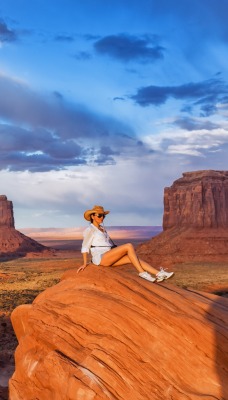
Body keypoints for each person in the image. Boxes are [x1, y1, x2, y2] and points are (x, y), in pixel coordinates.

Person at [77, 205, 174, 283]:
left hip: (108, 255)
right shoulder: (90, 230)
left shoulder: (102, 229)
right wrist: (85, 264)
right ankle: (142, 273)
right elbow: (85, 247)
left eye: (103, 215)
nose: (102, 217)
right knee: (129, 246)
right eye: (99, 215)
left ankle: (158, 273)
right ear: (93, 216)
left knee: (132, 258)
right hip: (100, 258)